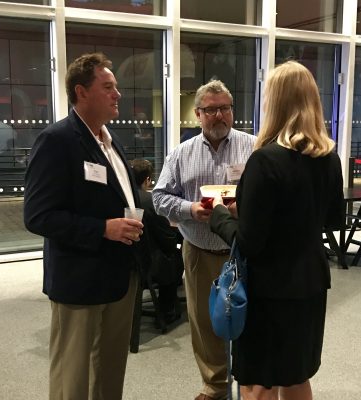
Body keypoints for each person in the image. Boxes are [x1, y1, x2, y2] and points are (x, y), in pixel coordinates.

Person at [209, 61, 345, 400]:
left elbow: (251, 243)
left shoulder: (266, 160)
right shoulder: (329, 158)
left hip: (270, 292)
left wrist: (219, 216)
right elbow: (332, 220)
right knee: (296, 375)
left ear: (276, 102)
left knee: (260, 380)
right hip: (311, 283)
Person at [23, 52, 145, 400]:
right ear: (81, 92)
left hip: (119, 276)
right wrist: (102, 229)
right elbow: (37, 215)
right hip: (79, 281)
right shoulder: (57, 141)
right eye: (108, 87)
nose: (117, 94)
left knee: (109, 373)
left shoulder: (110, 141)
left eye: (116, 87)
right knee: (72, 378)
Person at [152, 79, 256, 400]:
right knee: (205, 321)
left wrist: (246, 205)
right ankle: (215, 385)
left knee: (249, 317)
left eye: (225, 108)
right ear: (198, 114)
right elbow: (159, 198)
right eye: (211, 110)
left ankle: (249, 382)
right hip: (199, 251)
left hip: (243, 250)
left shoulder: (254, 147)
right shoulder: (181, 154)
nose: (219, 115)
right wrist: (189, 209)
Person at [130, 158, 183, 324]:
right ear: (147, 180)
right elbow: (167, 238)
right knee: (174, 255)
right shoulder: (150, 201)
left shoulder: (123, 198)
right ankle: (168, 309)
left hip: (128, 261)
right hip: (150, 265)